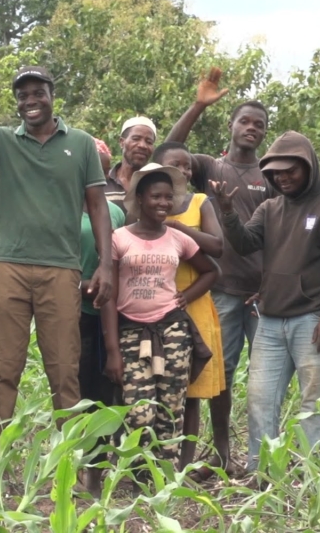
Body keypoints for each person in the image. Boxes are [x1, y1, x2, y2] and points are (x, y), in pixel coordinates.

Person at [0, 61, 114, 486]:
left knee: (64, 369)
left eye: (38, 93)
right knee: (3, 368)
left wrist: (105, 263)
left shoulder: (82, 144)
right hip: (10, 265)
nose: (30, 101)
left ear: (52, 95)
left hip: (62, 268)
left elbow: (98, 206)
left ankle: (71, 467)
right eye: (23, 95)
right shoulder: (2, 141)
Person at [212, 131, 320, 473]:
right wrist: (228, 214)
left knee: (314, 401)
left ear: (309, 167)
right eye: (275, 171)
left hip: (313, 320)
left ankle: (312, 475)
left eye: (291, 169)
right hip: (271, 320)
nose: (283, 177)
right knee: (261, 399)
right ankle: (262, 472)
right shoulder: (270, 207)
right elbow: (246, 243)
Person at [165, 69, 270, 473]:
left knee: (263, 380)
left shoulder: (270, 174)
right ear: (231, 125)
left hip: (260, 294)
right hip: (221, 291)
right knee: (218, 377)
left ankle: (262, 459)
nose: (251, 129)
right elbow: (170, 149)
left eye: (259, 125)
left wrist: (271, 284)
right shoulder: (210, 167)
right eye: (245, 121)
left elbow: (276, 231)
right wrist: (198, 105)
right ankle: (224, 454)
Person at [102, 163, 217, 475]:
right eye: (156, 196)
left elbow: (211, 271)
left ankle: (164, 477)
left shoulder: (177, 238)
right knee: (139, 412)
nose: (163, 203)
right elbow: (109, 297)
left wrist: (187, 295)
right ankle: (141, 474)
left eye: (168, 197)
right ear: (140, 198)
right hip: (131, 332)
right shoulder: (118, 238)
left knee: (171, 408)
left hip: (172, 330)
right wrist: (112, 349)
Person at [152, 142, 227, 477]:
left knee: (192, 392)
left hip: (194, 303)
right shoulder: (148, 206)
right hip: (153, 309)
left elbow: (217, 246)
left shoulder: (200, 202)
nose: (183, 172)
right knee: (154, 387)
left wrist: (179, 228)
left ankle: (185, 464)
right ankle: (152, 461)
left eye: (187, 167)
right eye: (175, 166)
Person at [78, 137, 126, 495]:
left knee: (105, 390)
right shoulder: (59, 206)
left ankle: (98, 469)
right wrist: (80, 284)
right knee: (76, 390)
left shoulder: (115, 213)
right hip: (69, 310)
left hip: (107, 312)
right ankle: (78, 465)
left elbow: (117, 263)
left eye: (103, 169)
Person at [104, 116, 157, 211]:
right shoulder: (103, 182)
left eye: (149, 142)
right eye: (136, 139)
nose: (143, 146)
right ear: (121, 142)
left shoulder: (155, 184)